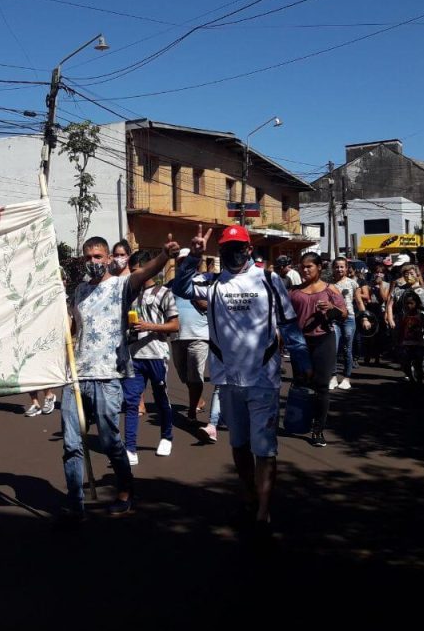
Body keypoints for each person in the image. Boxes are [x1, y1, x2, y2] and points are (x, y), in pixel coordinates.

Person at [173, 225, 309, 535]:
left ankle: (263, 511)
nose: (232, 252)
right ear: (219, 252)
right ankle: (249, 494)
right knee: (239, 445)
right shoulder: (212, 282)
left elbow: (288, 324)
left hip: (263, 379)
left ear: (249, 249)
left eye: (238, 246)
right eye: (226, 248)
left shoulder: (270, 280)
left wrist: (302, 363)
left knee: (265, 449)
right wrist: (193, 255)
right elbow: (180, 288)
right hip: (229, 380)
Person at [59, 235, 178, 523]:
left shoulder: (120, 286)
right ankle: (75, 505)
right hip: (76, 377)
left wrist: (164, 255)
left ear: (108, 259)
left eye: (98, 256)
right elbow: (71, 327)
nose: (93, 262)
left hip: (108, 375)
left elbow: (143, 273)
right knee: (71, 444)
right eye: (88, 258)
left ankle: (125, 491)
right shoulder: (78, 291)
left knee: (111, 441)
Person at [122, 250, 180, 463]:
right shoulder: (130, 295)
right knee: (131, 402)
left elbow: (175, 325)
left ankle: (166, 436)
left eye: (136, 271)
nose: (133, 276)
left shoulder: (164, 293)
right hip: (134, 355)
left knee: (161, 397)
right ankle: (129, 448)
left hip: (157, 355)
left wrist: (150, 326)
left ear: (149, 269)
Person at [289, 253, 347, 448]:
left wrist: (331, 308)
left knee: (321, 386)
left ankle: (318, 429)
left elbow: (344, 315)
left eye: (309, 267)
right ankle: (299, 420)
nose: (304, 270)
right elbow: (285, 318)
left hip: (324, 340)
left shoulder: (331, 290)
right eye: (302, 267)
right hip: (300, 343)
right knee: (302, 383)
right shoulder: (294, 292)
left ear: (319, 267)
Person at [168, 248, 210, 423]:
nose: (183, 264)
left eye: (187, 260)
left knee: (195, 374)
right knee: (183, 374)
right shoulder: (171, 284)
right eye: (180, 261)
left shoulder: (206, 281)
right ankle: (197, 399)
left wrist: (196, 297)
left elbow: (210, 306)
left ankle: (192, 409)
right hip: (177, 335)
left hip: (199, 334)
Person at [385, 263, 424, 379]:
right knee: (403, 353)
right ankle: (409, 373)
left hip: (422, 324)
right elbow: (389, 305)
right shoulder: (398, 290)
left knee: (422, 352)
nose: (409, 276)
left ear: (417, 274)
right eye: (406, 274)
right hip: (402, 325)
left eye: (411, 273)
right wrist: (390, 318)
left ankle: (420, 375)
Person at [329, 257, 363, 390]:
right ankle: (333, 377)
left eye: (342, 266)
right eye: (337, 266)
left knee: (347, 349)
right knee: (334, 348)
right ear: (333, 268)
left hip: (349, 318)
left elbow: (359, 301)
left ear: (347, 268)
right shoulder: (328, 284)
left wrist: (365, 317)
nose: (339, 269)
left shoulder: (353, 283)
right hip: (333, 319)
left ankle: (346, 378)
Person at [396, 291, 424, 387]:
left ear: (416, 303)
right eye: (407, 303)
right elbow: (401, 329)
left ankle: (420, 380)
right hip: (406, 343)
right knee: (406, 363)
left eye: (411, 303)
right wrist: (399, 341)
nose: (409, 306)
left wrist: (419, 333)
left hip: (418, 343)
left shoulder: (421, 316)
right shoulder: (404, 316)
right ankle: (411, 378)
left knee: (418, 364)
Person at [358, 263, 390, 365]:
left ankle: (377, 356)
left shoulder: (386, 285)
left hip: (380, 310)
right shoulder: (369, 284)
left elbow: (383, 299)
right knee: (369, 333)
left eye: (381, 273)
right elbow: (367, 298)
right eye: (377, 272)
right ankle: (367, 354)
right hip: (370, 309)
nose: (379, 274)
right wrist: (371, 288)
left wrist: (380, 286)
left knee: (379, 334)